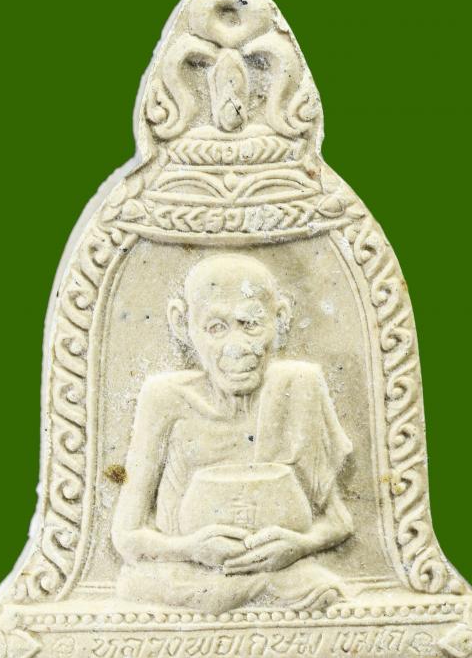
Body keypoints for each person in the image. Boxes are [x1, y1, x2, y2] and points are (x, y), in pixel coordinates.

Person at [112, 254, 353, 613]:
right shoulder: (164, 398)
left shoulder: (299, 387)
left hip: (284, 569)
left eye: (251, 324)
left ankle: (260, 590)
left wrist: (299, 545)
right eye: (216, 328)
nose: (236, 346)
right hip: (187, 572)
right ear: (183, 324)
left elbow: (339, 521)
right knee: (138, 582)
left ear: (280, 319)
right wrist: (191, 548)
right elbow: (126, 535)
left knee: (317, 585)